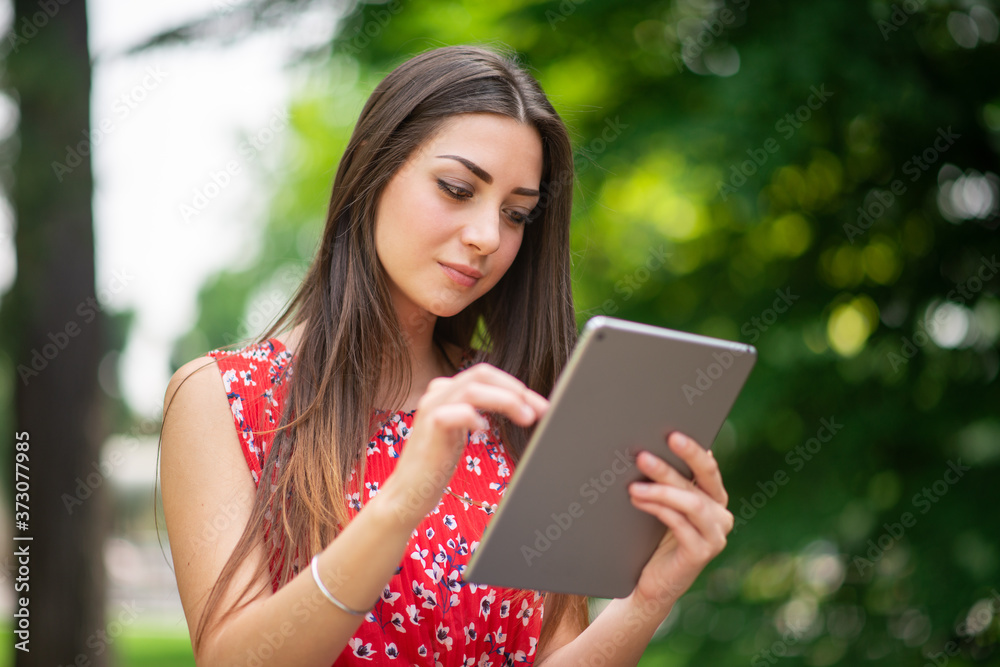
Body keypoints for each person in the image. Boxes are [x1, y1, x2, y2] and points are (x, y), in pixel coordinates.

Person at [158, 44, 735, 666]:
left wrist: (649, 598)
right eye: (457, 188)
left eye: (517, 214)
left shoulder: (515, 407)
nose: (487, 235)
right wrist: (405, 498)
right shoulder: (225, 398)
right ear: (374, 172)